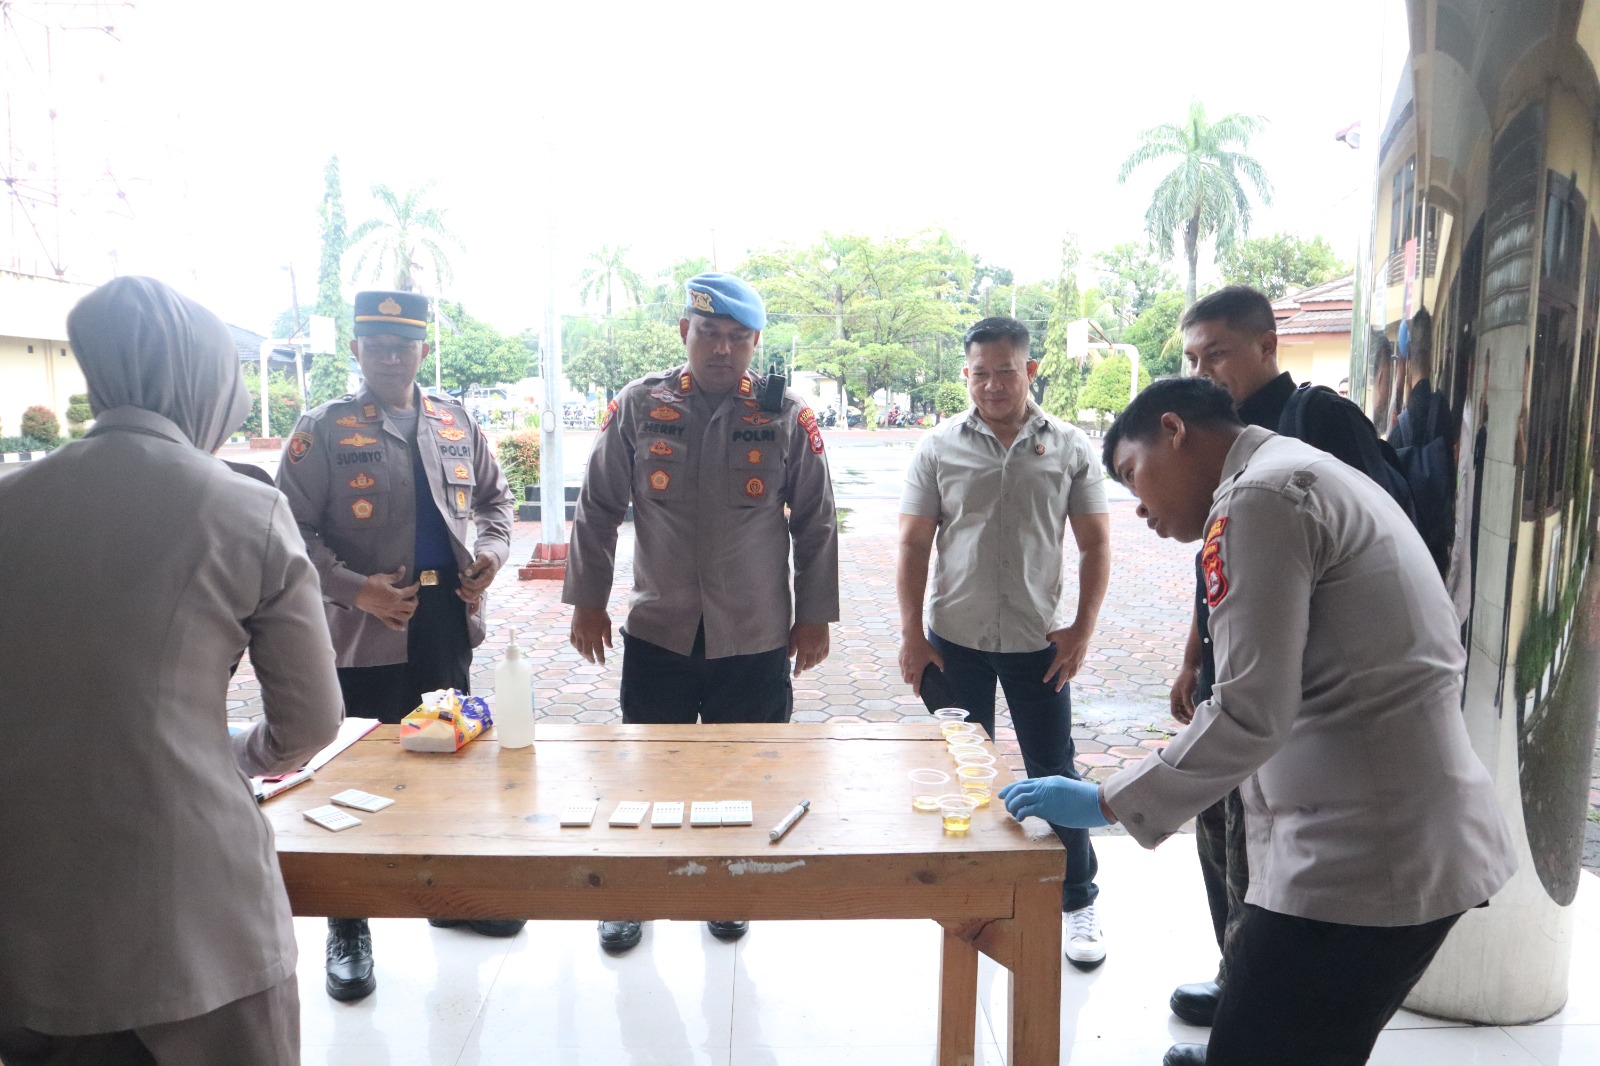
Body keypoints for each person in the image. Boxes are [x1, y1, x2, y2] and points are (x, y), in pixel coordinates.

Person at [1002, 377, 1516, 1066]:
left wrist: (1106, 800)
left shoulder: (1259, 498)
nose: (1138, 507)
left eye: (1132, 474)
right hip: (1386, 833)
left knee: (1267, 1042)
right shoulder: (1298, 471)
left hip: (1363, 860)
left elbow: (1249, 710)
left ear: (1174, 432)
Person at [0, 277, 343, 1066]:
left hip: (30, 910)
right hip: (193, 917)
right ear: (206, 381)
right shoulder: (244, 509)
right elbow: (310, 723)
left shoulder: (11, 500)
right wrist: (237, 751)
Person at [564, 271, 840, 955]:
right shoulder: (640, 405)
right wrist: (588, 603)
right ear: (685, 331)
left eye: (738, 338)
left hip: (753, 633)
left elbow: (816, 520)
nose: (722, 349)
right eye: (710, 333)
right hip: (660, 628)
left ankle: (727, 888)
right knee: (646, 771)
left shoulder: (786, 415)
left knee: (744, 772)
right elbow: (597, 507)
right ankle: (633, 896)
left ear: (756, 343)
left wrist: (814, 617)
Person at [1166, 285, 1412, 1026]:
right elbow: (1215, 567)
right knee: (1222, 833)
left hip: (1301, 684)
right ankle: (1234, 975)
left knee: (1270, 852)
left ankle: (1256, 1005)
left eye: (1217, 354)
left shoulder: (1318, 421)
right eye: (1192, 359)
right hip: (1231, 668)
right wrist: (1192, 658)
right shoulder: (1219, 439)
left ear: (1268, 346)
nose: (1204, 372)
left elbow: (1377, 536)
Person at [276, 289, 520, 1002]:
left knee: (448, 756)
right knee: (352, 772)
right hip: (363, 625)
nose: (389, 355)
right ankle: (348, 924)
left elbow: (497, 503)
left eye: (403, 344)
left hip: (445, 618)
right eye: (376, 343)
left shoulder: (455, 420)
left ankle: (450, 896)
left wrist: (493, 554)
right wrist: (356, 590)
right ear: (356, 349)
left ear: (423, 350)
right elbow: (286, 527)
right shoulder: (324, 428)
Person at [896, 315, 1112, 969]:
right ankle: (977, 897)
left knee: (1055, 770)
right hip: (954, 639)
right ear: (966, 374)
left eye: (1006, 371)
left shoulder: (1070, 446)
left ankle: (1078, 900)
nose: (992, 385)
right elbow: (913, 543)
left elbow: (1096, 543)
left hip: (1036, 640)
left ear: (1030, 370)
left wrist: (1082, 630)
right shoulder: (937, 446)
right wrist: (911, 635)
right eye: (980, 373)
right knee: (968, 773)